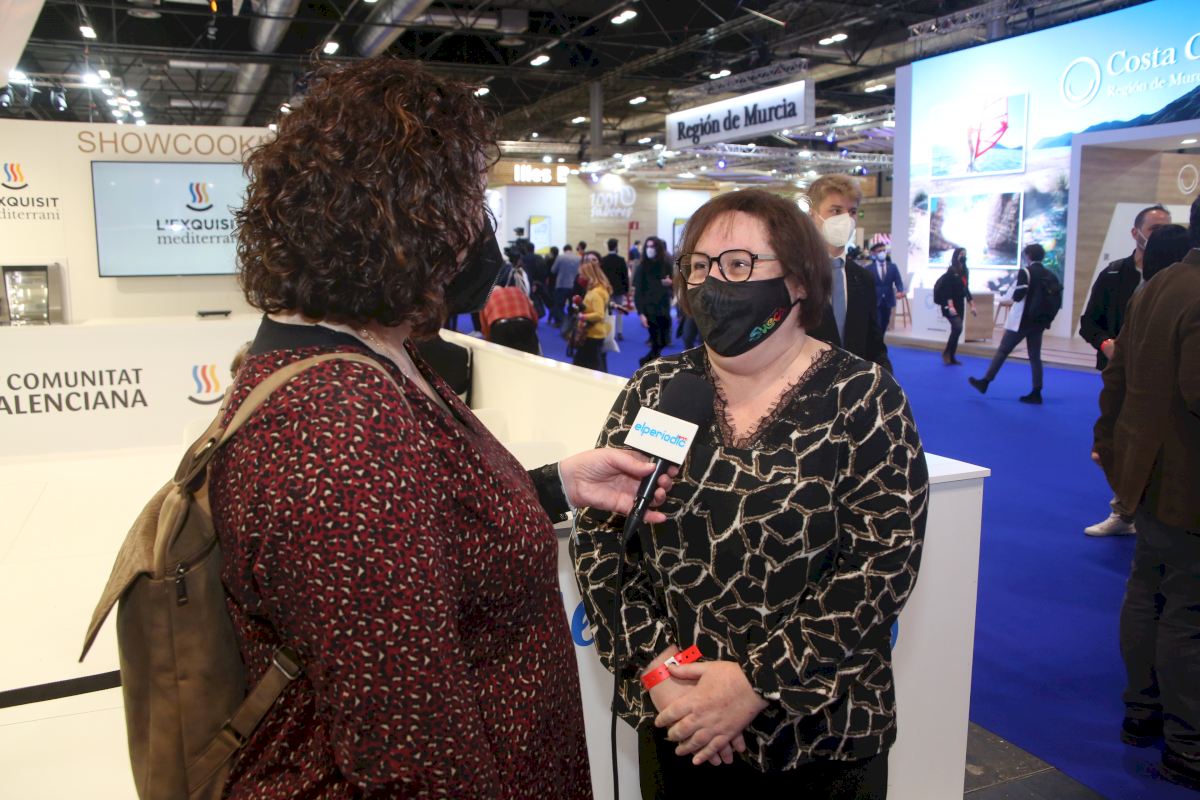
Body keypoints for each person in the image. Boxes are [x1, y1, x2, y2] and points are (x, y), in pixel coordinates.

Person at [218, 57, 679, 799]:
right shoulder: (337, 421)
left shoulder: (375, 358)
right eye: (467, 203)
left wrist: (555, 486)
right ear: (398, 218)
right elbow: (410, 751)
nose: (477, 231)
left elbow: (427, 527)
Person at [572, 189, 928, 799]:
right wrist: (660, 671)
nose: (713, 284)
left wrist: (753, 684)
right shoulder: (660, 389)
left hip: (823, 735)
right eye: (699, 266)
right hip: (680, 721)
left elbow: (880, 567)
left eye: (738, 265)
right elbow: (604, 539)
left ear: (798, 280)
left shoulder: (863, 398)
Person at [1093, 210, 1200, 793]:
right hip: (1187, 481)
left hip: (1150, 475)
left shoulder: (1157, 284)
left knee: (1148, 591)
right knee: (1187, 609)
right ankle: (1188, 744)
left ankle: (1142, 712)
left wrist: (1110, 446)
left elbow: (1118, 377)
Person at [1080, 204, 1172, 537]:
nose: (1160, 236)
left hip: (1160, 380)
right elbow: (1089, 323)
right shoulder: (1114, 274)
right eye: (1154, 229)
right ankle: (1125, 511)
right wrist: (1106, 345)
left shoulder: (1174, 279)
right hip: (1121, 376)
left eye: (1166, 229)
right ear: (1136, 233)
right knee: (1117, 444)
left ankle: (1147, 514)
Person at [804, 174, 892, 372]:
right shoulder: (793, 276)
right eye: (836, 210)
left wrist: (887, 383)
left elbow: (874, 346)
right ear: (812, 215)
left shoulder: (864, 279)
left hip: (855, 385)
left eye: (852, 212)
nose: (846, 219)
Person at [969, 243, 1050, 404]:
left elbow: (1018, 296)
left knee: (1003, 351)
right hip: (1039, 321)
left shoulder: (1026, 272)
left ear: (1028, 256)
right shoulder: (1048, 274)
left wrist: (1014, 295)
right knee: (1035, 357)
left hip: (1022, 321)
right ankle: (1037, 391)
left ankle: (985, 381)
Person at [634, 235, 674, 366]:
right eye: (648, 246)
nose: (649, 249)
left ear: (658, 248)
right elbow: (638, 292)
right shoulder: (642, 267)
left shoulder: (666, 265)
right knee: (656, 340)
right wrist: (641, 313)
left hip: (664, 306)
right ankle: (648, 363)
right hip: (649, 308)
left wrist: (670, 283)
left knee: (664, 340)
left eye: (652, 246)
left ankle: (648, 361)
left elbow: (673, 282)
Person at [572, 253, 612, 372]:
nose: (580, 277)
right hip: (595, 332)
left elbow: (599, 314)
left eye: (582, 275)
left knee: (588, 365)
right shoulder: (599, 289)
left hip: (592, 333)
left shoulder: (595, 293)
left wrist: (582, 316)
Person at [937, 248, 976, 365]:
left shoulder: (965, 271)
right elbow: (948, 290)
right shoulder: (951, 271)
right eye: (961, 254)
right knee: (957, 327)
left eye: (965, 254)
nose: (963, 256)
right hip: (948, 304)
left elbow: (966, 289)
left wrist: (972, 305)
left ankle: (951, 356)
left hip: (960, 304)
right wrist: (950, 306)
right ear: (956, 256)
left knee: (957, 330)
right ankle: (947, 353)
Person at [869, 241, 905, 333]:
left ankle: (880, 338)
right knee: (877, 323)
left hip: (888, 299)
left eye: (884, 250)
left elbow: (898, 282)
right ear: (874, 253)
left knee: (885, 323)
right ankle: (878, 340)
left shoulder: (892, 267)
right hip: (875, 300)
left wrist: (900, 291)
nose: (882, 253)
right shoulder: (869, 268)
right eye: (879, 251)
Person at [601, 237, 631, 342]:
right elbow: (625, 276)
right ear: (616, 247)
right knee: (619, 311)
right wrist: (626, 289)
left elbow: (601, 277)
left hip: (607, 290)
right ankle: (619, 332)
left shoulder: (603, 260)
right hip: (619, 289)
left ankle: (609, 331)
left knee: (607, 311)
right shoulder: (621, 260)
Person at [551, 243, 581, 326]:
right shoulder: (578, 258)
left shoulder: (560, 257)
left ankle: (561, 322)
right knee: (573, 305)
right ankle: (572, 322)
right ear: (571, 249)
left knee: (559, 305)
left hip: (561, 284)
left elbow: (553, 270)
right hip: (574, 285)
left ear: (564, 250)